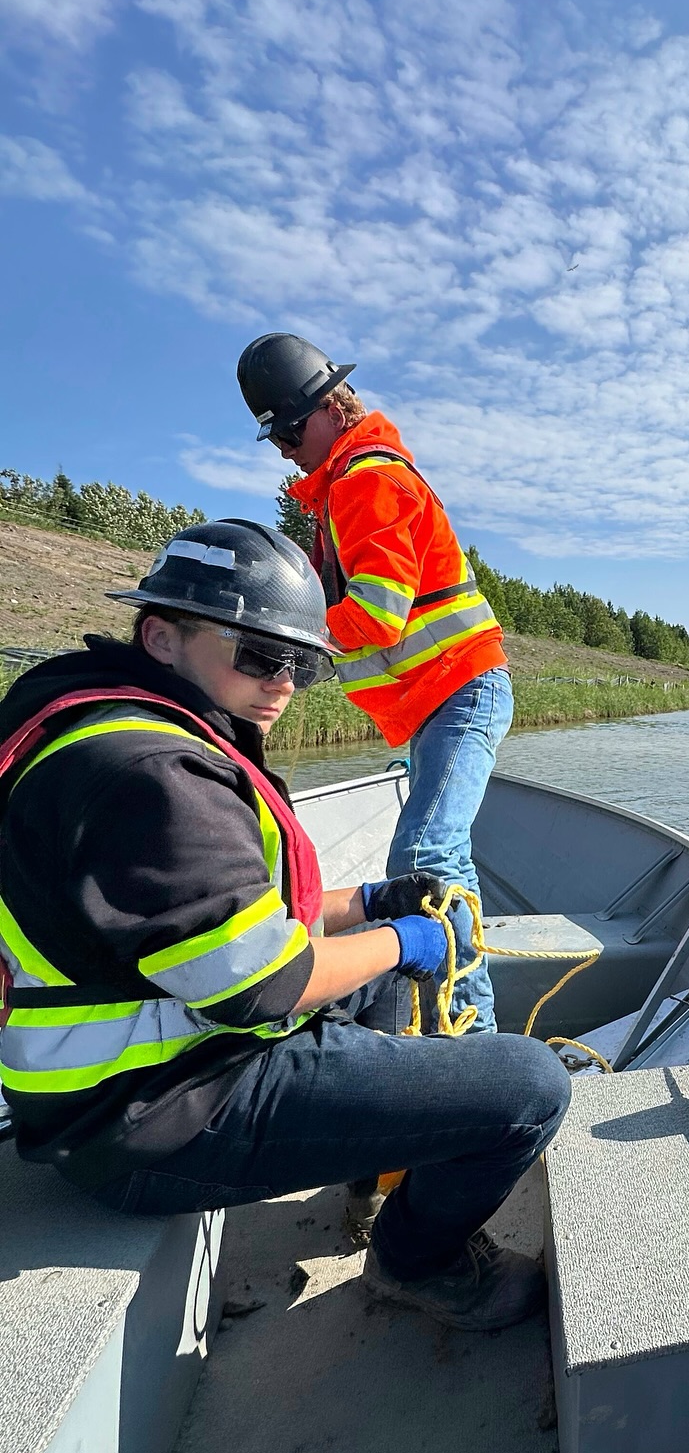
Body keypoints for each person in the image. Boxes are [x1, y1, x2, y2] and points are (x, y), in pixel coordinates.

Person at [0, 520, 570, 1333]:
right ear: (161, 637)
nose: (285, 684)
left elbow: (228, 920)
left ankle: (367, 1175)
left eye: (302, 663)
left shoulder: (121, 734)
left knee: (373, 977)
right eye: (260, 656)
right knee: (530, 1087)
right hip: (151, 1118)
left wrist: (370, 904)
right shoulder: (151, 774)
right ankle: (420, 1262)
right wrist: (410, 941)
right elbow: (263, 984)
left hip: (135, 1082)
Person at [237, 334, 510, 1034]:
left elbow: (379, 615)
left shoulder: (366, 481)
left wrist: (294, 637)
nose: (285, 447)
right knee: (440, 851)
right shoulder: (343, 486)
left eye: (290, 429)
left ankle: (467, 1031)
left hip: (460, 691)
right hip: (434, 703)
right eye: (274, 438)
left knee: (425, 855)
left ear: (330, 408)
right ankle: (461, 1012)